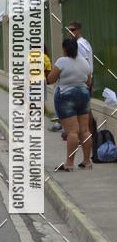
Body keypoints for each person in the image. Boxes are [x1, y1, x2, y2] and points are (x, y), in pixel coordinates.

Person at [47, 37, 92, 171]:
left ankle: (69, 164)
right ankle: (87, 162)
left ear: (64, 49)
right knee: (85, 130)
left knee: (72, 131)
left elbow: (51, 79)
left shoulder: (62, 61)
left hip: (66, 97)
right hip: (83, 96)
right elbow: (88, 82)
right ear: (77, 49)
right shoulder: (85, 62)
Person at [68, 21, 94, 138]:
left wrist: (87, 82)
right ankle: (88, 133)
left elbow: (85, 63)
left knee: (84, 110)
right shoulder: (84, 42)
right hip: (86, 79)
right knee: (86, 108)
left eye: (72, 30)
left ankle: (87, 134)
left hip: (83, 80)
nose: (70, 32)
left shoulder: (80, 45)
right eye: (69, 30)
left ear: (78, 30)